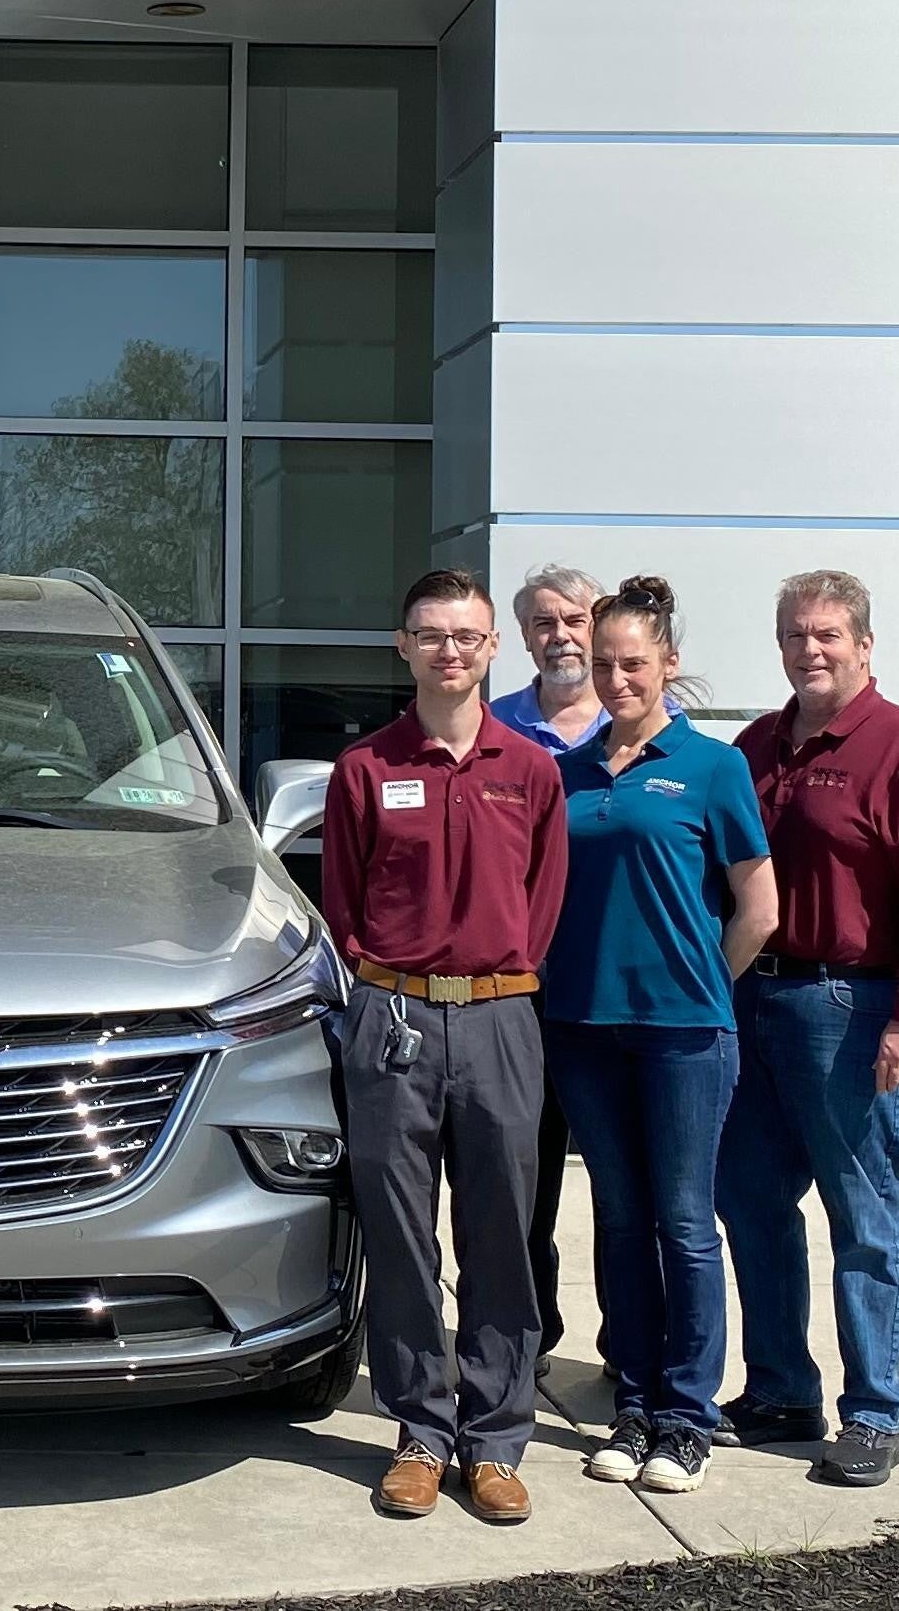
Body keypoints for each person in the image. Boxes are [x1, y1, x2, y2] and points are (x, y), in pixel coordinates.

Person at [714, 569, 899, 1490]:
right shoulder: (757, 746)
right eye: (795, 636)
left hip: (854, 1012)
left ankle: (873, 1413)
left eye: (827, 635)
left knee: (862, 1217)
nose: (809, 650)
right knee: (749, 1202)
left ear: (865, 643)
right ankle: (781, 1389)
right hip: (755, 1007)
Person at [323, 569, 568, 1525]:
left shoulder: (531, 770)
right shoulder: (368, 769)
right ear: (404, 646)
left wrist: (499, 979)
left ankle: (499, 1439)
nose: (450, 651)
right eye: (432, 635)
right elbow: (344, 900)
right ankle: (422, 1433)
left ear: (492, 647)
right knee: (399, 1230)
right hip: (393, 1019)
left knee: (502, 1229)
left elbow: (545, 900)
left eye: (467, 635)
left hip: (504, 1015)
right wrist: (386, 980)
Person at [532, 576, 776, 1495]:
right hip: (583, 1029)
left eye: (634, 662)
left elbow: (759, 905)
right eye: (604, 665)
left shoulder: (713, 768)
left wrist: (708, 980)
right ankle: (631, 1401)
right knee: (621, 1219)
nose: (618, 678)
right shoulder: (567, 772)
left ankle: (685, 1417)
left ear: (669, 664)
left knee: (683, 1222)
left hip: (683, 1034)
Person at [487, 565, 610, 1363]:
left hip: (611, 993)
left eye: (574, 619)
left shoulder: (646, 727)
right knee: (518, 1183)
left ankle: (634, 1344)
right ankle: (527, 1338)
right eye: (542, 622)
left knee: (627, 1189)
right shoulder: (492, 727)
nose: (560, 634)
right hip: (517, 994)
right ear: (522, 636)